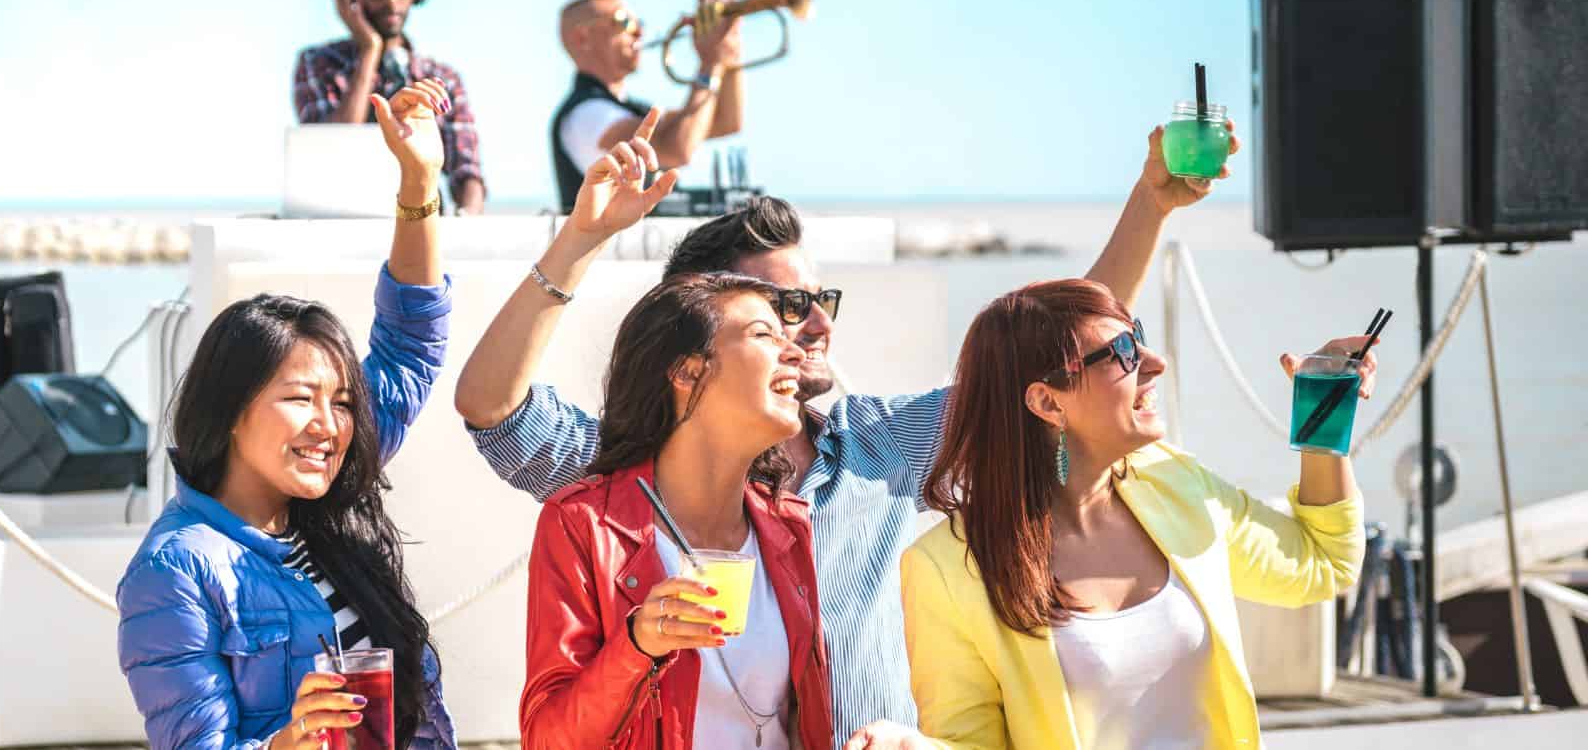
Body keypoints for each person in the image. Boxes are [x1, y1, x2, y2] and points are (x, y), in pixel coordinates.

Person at [456, 112, 1240, 745]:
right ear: (696, 342)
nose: (816, 323)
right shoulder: (630, 476)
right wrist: (583, 240)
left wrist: (1151, 204)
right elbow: (493, 407)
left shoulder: (882, 445)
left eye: (820, 298)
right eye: (779, 311)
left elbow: (1054, 350)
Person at [117, 79, 458, 750]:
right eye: (301, 398)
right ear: (231, 408)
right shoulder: (175, 570)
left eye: (341, 402)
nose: (328, 426)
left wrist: (418, 184)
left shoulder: (332, 482)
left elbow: (412, 340)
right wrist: (285, 744)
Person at [902, 279, 1369, 749]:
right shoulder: (945, 569)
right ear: (1047, 401)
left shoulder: (1175, 484)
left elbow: (1322, 562)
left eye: (1138, 335)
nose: (1155, 363)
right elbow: (967, 740)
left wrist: (1323, 404)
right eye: (1124, 351)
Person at [517, 125, 832, 748]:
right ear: (689, 372)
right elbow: (546, 738)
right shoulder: (585, 525)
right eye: (766, 335)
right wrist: (638, 645)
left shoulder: (791, 527)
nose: (795, 353)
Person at [293, 0, 486, 214]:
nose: (392, 1)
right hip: (345, 229)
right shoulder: (317, 64)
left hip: (423, 230)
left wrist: (467, 220)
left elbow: (467, 173)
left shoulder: (443, 78)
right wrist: (370, 51)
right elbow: (331, 151)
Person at [549, 0, 744, 211]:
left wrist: (728, 52)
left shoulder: (627, 108)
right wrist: (710, 64)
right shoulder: (585, 115)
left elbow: (724, 122)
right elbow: (677, 149)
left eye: (638, 23)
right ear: (582, 37)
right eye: (623, 22)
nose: (639, 32)